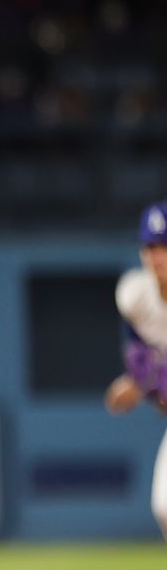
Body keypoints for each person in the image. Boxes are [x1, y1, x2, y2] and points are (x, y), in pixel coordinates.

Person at [105, 200, 167, 539]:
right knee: (165, 506)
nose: (156, 255)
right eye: (150, 245)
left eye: (164, 245)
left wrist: (151, 382)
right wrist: (138, 383)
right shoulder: (135, 296)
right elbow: (144, 362)